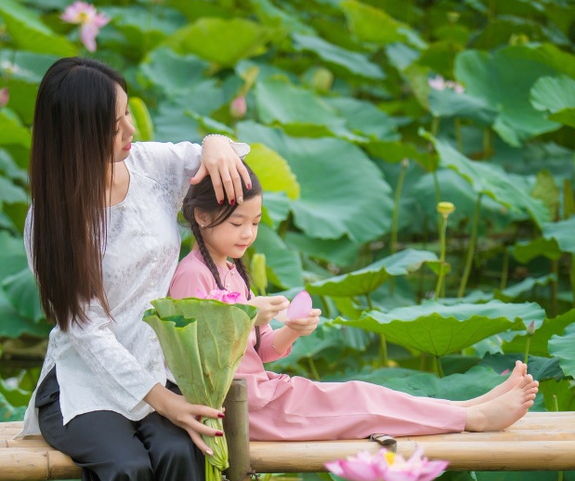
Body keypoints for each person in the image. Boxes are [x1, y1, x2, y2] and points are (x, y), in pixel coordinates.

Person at [20, 56, 251, 481]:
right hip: (82, 380)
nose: (130, 132)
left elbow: (227, 156)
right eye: (115, 126)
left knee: (181, 453)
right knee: (126, 469)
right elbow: (86, 333)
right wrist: (159, 403)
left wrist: (215, 140)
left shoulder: (150, 166)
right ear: (77, 137)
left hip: (155, 363)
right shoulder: (54, 220)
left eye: (128, 116)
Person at [169, 166, 539, 441]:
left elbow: (261, 351)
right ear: (202, 216)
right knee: (362, 404)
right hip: (242, 412)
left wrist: (290, 331)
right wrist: (248, 313)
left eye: (256, 222)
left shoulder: (231, 271)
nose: (248, 233)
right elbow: (201, 359)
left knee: (366, 393)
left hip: (263, 394)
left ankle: (469, 407)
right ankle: (472, 419)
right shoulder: (192, 275)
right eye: (237, 223)